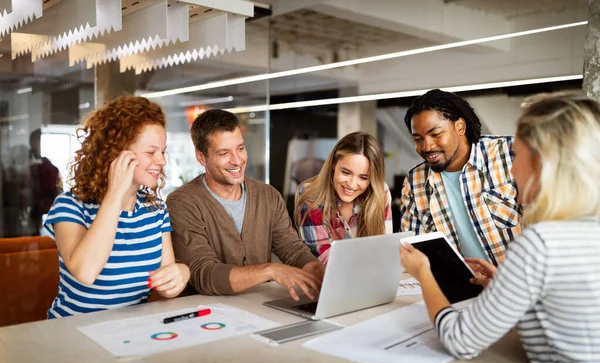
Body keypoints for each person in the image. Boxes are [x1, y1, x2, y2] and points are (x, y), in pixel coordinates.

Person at [400, 93, 600, 363]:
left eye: (518, 156)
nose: (512, 168)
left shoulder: (540, 243)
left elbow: (461, 341)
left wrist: (423, 272)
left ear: (543, 163)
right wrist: (509, 283)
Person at [44, 95, 190, 318]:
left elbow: (166, 283)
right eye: (151, 152)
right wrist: (115, 194)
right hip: (72, 333)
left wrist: (181, 273)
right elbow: (86, 272)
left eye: (162, 151)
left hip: (128, 333)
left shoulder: (156, 210)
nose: (161, 161)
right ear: (115, 154)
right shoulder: (70, 206)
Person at [167, 109, 324, 301]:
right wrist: (270, 270)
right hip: (208, 315)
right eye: (224, 153)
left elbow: (292, 250)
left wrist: (320, 272)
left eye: (240, 148)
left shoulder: (268, 196)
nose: (237, 160)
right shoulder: (183, 203)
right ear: (201, 157)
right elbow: (203, 273)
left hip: (259, 307)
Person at [400, 89, 522, 266]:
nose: (426, 147)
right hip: (460, 289)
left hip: (519, 285)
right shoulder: (414, 182)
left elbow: (548, 226)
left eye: (435, 134)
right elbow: (414, 254)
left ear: (460, 127)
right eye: (418, 139)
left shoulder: (511, 154)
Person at [295, 132, 393, 264]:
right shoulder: (311, 195)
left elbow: (384, 248)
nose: (352, 184)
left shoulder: (380, 192)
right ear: (334, 164)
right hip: (326, 279)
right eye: (346, 172)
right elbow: (323, 258)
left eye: (363, 177)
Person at [28, 129, 63, 235]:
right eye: (36, 141)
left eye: (39, 140)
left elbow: (57, 186)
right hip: (34, 202)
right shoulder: (29, 162)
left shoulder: (49, 167)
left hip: (48, 201)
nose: (37, 144)